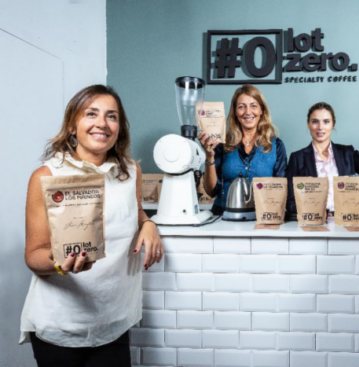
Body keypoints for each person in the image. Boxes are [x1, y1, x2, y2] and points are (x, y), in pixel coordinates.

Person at [20, 85, 163, 367]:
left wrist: (148, 225)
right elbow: (34, 255)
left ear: (119, 127)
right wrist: (60, 263)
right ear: (72, 126)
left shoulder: (130, 170)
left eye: (112, 116)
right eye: (91, 114)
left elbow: (135, 213)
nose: (102, 123)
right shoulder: (46, 175)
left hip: (113, 322)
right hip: (62, 325)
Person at [286, 101, 359, 215]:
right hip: (311, 225)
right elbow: (290, 201)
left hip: (346, 223)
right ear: (308, 124)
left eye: (326, 121)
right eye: (315, 121)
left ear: (333, 124)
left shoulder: (347, 153)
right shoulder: (297, 158)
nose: (320, 127)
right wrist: (313, 212)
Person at [198, 84, 287, 215]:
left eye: (254, 105)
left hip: (262, 217)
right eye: (241, 107)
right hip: (224, 216)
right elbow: (211, 191)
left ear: (262, 110)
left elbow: (281, 189)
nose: (248, 112)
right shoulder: (221, 144)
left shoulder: (276, 145)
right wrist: (209, 156)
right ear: (235, 111)